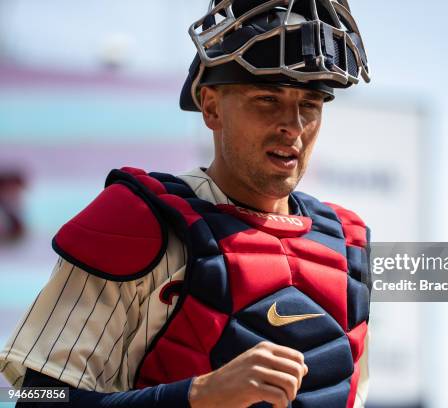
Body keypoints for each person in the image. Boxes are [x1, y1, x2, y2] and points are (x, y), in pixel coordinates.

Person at [0, 0, 373, 406]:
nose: (293, 126)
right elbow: (34, 396)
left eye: (309, 105)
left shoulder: (347, 248)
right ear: (211, 107)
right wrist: (195, 396)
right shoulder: (135, 219)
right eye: (268, 99)